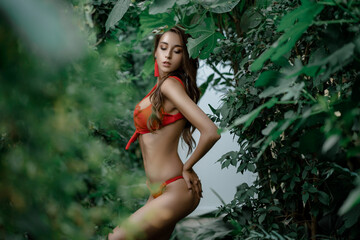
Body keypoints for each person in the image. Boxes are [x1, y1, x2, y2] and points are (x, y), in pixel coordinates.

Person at [108, 26, 221, 240]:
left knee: (117, 237)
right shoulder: (160, 89)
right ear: (155, 51)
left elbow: (211, 132)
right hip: (159, 191)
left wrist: (188, 167)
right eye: (163, 47)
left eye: (177, 51)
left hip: (176, 188)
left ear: (184, 57)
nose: (168, 55)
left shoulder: (170, 85)